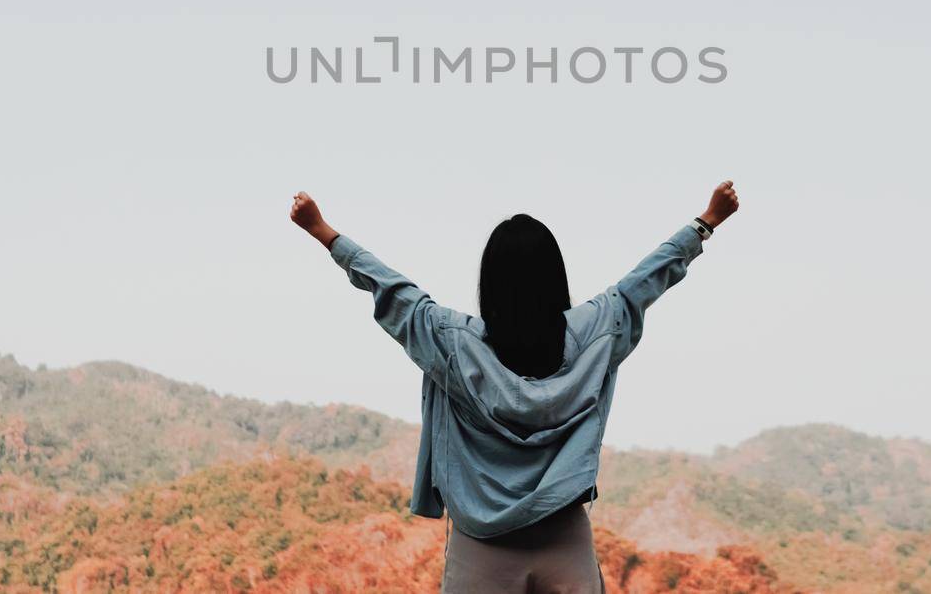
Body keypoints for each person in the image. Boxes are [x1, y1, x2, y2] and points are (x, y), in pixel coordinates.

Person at [288, 180, 741, 594]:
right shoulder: (595, 334)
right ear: (554, 277)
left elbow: (391, 289)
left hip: (479, 543)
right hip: (565, 537)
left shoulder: (451, 343)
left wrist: (322, 230)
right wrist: (705, 223)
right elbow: (642, 283)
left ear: (491, 280)